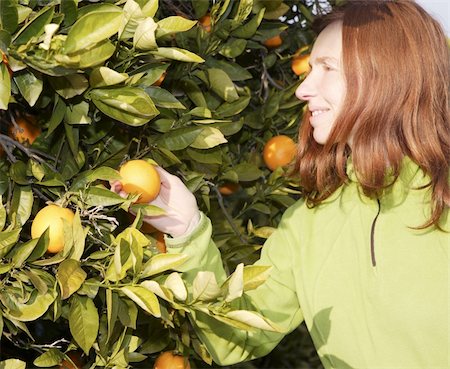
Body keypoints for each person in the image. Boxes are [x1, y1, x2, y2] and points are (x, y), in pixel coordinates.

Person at [112, 1, 450, 368]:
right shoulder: (307, 223)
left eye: (327, 69)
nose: (303, 90)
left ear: (388, 74)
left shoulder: (441, 194)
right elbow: (237, 338)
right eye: (309, 70)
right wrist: (187, 229)